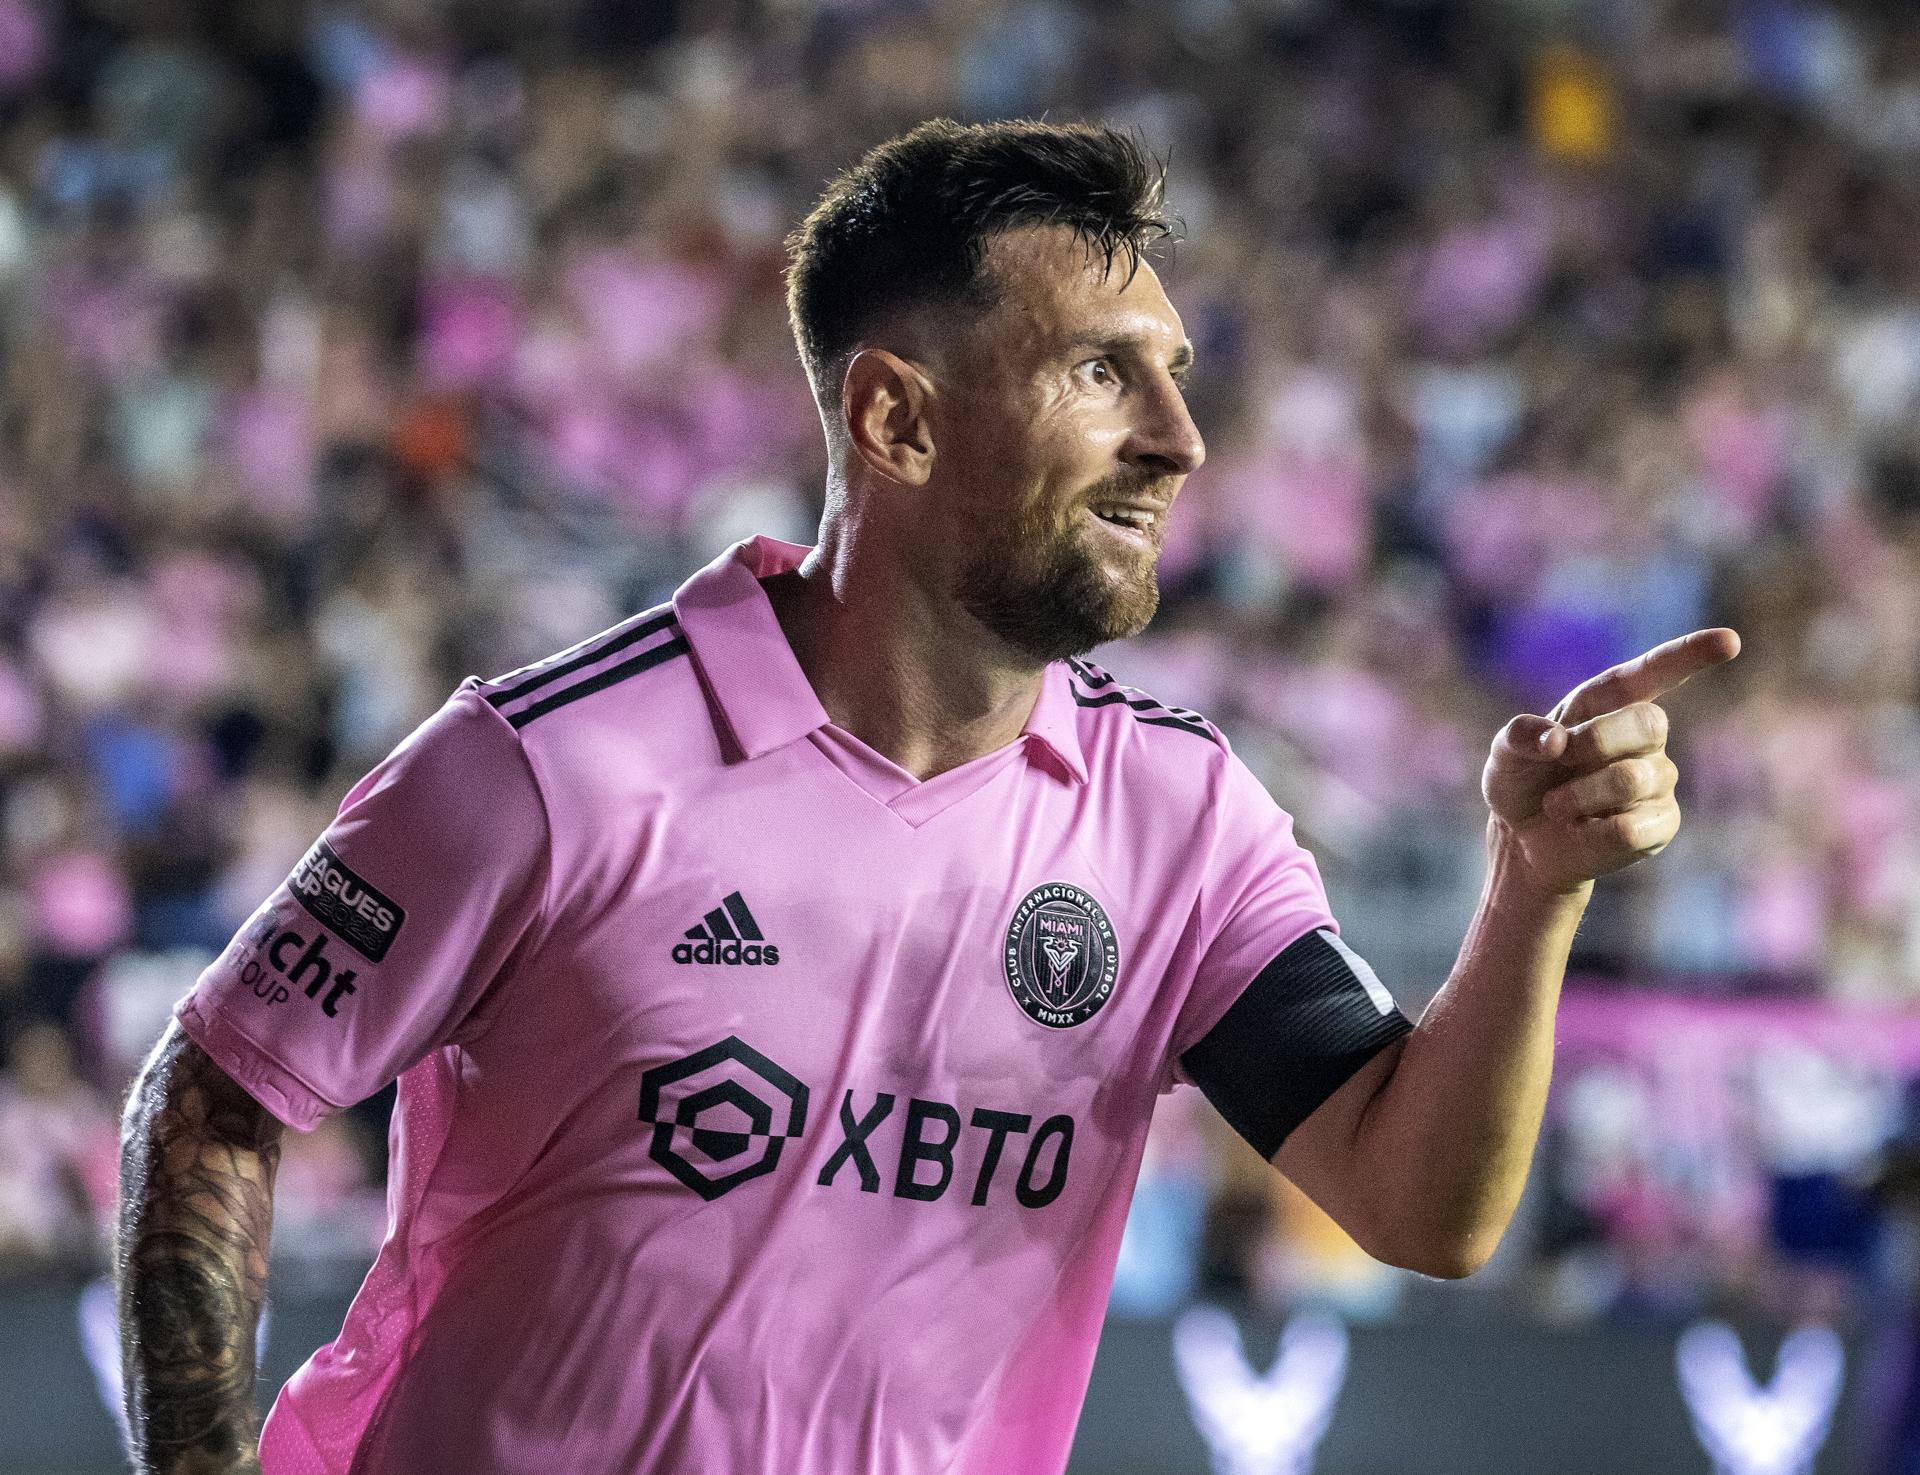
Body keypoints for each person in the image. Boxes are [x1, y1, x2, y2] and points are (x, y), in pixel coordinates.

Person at [115, 118, 1739, 1475]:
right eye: (1104, 373)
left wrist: (1533, 888)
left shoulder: (1181, 825)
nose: (1179, 439)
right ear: (894, 416)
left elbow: (1420, 1204)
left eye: (1173, 377)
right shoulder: (546, 766)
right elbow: (215, 1097)